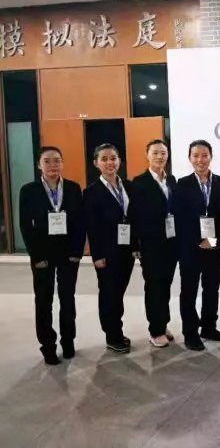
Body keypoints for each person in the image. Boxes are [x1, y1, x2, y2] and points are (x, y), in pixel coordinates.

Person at [19, 146, 85, 365]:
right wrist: (36, 256)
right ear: (39, 165)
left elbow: (80, 223)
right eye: (47, 161)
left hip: (68, 255)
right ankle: (48, 346)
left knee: (68, 300)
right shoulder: (28, 191)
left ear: (62, 163)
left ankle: (68, 341)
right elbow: (25, 226)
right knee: (43, 301)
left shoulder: (73, 189)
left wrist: (76, 253)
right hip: (43, 256)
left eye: (56, 160)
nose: (52, 165)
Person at [174, 140, 220, 351]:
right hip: (190, 248)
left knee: (211, 288)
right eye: (196, 155)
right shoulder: (182, 184)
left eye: (204, 155)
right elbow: (180, 219)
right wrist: (198, 241)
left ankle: (209, 327)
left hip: (214, 247)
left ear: (211, 157)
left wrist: (212, 240)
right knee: (189, 290)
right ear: (189, 158)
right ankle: (190, 332)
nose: (200, 160)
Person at [83, 143, 137, 354]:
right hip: (106, 253)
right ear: (96, 163)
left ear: (119, 161)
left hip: (126, 251)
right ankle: (112, 336)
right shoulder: (91, 192)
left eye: (113, 158)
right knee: (109, 294)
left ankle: (117, 331)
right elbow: (91, 226)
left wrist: (136, 246)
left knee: (118, 293)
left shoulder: (128, 186)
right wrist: (97, 255)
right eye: (104, 159)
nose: (109, 163)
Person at [129, 139, 178, 348]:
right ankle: (155, 330)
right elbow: (133, 216)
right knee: (154, 286)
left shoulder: (171, 180)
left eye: (163, 153)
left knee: (165, 285)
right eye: (155, 153)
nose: (160, 157)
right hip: (150, 244)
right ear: (147, 155)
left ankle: (163, 323)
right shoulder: (139, 182)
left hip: (170, 243)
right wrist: (135, 245)